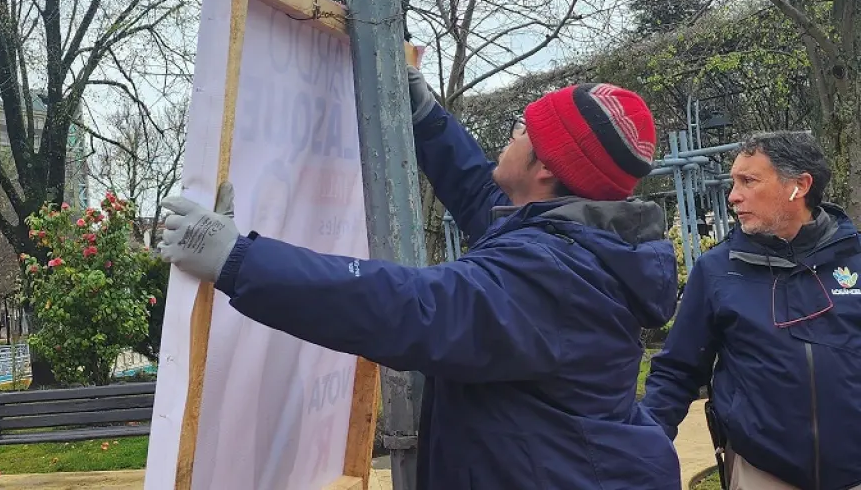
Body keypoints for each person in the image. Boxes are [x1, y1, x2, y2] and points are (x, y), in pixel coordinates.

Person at [158, 65, 681, 489]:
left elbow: (409, 306)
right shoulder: (577, 245)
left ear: (545, 167)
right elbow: (484, 196)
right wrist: (428, 118)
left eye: (523, 128)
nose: (512, 133)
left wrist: (238, 259)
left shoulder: (551, 275)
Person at [642, 131, 861, 490]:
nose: (733, 196)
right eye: (733, 182)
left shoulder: (854, 259)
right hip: (763, 472)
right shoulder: (716, 271)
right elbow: (676, 371)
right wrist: (641, 445)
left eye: (748, 181)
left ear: (800, 186)